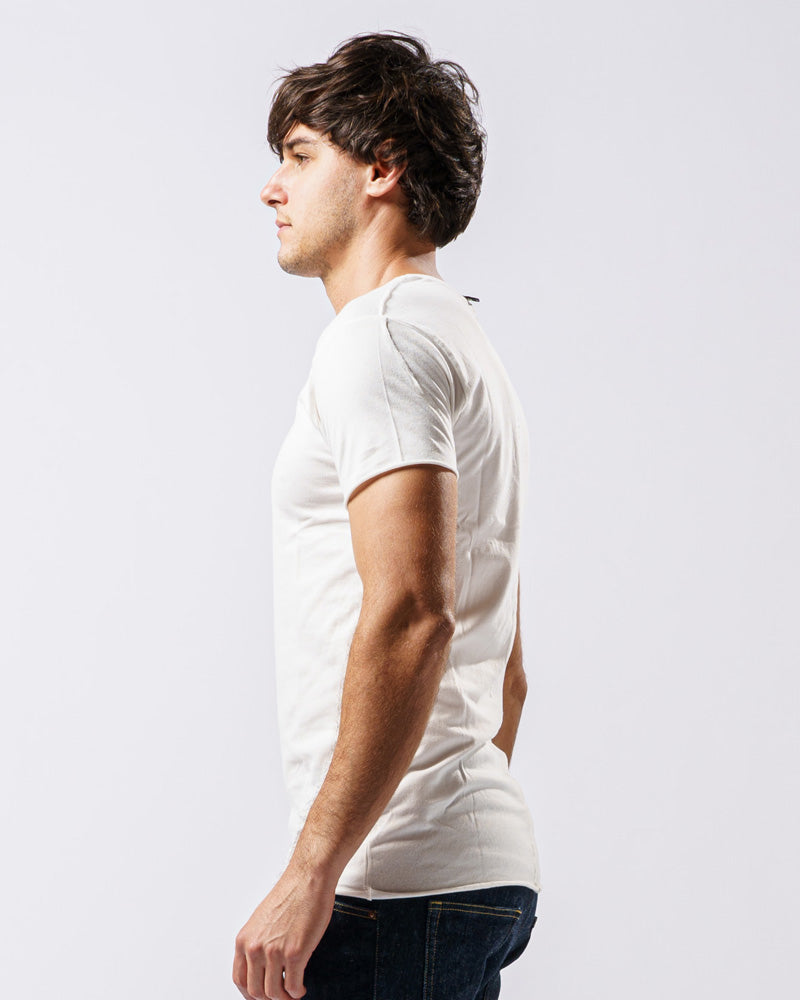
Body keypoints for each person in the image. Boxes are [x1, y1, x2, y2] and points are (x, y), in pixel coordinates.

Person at [233, 31, 542, 1000]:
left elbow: (413, 612)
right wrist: (451, 823)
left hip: (396, 893)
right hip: (449, 875)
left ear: (381, 168)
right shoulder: (457, 339)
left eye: (298, 155)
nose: (271, 188)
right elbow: (507, 673)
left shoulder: (381, 339)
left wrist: (311, 871)